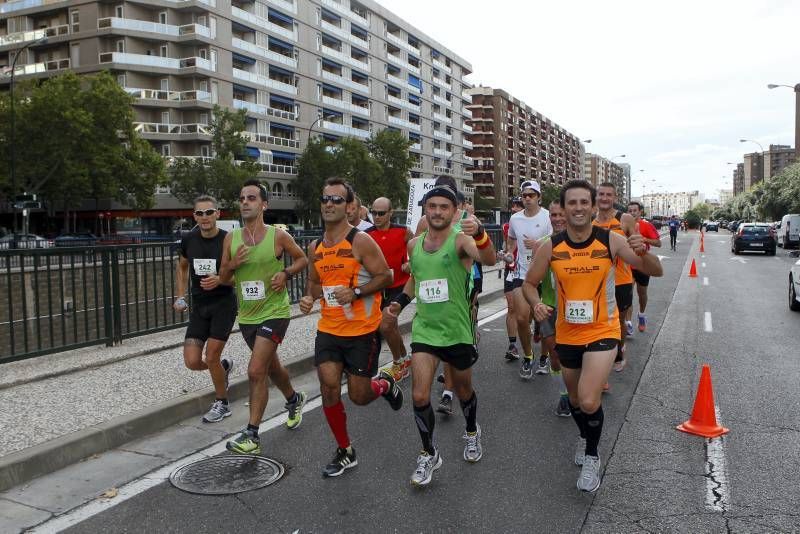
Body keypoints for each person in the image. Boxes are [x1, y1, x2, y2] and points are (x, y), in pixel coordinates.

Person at [523, 179, 662, 492]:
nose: (578, 208)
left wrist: (644, 251)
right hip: (567, 333)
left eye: (584, 202)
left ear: (593, 205)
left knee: (588, 398)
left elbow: (654, 270)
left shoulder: (611, 240)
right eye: (572, 203)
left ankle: (591, 454)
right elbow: (529, 284)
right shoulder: (551, 247)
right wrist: (536, 306)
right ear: (564, 207)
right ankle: (586, 435)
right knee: (574, 399)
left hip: (603, 330)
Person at [385, 183, 497, 486]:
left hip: (458, 331)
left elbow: (489, 259)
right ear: (425, 209)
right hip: (426, 331)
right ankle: (428, 452)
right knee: (420, 394)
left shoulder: (461, 241)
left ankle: (472, 431)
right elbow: (416, 280)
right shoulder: (415, 245)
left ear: (454, 211)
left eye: (443, 207)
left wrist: (481, 234)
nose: (436, 212)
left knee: (463, 391)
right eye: (432, 206)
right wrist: (398, 302)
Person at [300, 177, 402, 478]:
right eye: (325, 199)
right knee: (328, 386)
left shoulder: (360, 240)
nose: (329, 204)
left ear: (348, 207)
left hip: (361, 331)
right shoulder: (315, 246)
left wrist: (357, 292)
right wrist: (308, 298)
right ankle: (345, 450)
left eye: (336, 199)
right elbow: (315, 284)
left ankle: (384, 384)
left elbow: (386, 275)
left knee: (358, 396)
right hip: (329, 328)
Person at [218, 180, 309, 455]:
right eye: (242, 198)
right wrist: (233, 264)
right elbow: (223, 278)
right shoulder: (230, 239)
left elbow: (302, 258)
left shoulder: (277, 236)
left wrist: (286, 273)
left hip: (275, 311)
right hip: (247, 315)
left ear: (264, 205)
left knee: (255, 370)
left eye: (252, 198)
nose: (245, 202)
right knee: (270, 368)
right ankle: (294, 399)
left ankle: (252, 435)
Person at [173, 195, 237, 424]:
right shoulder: (188, 239)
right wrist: (180, 296)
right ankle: (223, 369)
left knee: (211, 356)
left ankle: (223, 403)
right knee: (192, 361)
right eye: (199, 213)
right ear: (194, 217)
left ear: (218, 214)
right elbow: (182, 267)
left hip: (224, 304)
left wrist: (221, 280)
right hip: (200, 305)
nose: (205, 217)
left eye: (209, 212)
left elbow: (240, 276)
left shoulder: (229, 239)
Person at [505, 180, 552, 379]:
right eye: (524, 195)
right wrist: (508, 254)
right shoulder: (515, 219)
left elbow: (555, 238)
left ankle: (544, 357)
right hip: (522, 273)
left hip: (545, 275)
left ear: (539, 197)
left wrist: (538, 244)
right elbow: (511, 241)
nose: (527, 198)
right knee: (522, 317)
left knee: (547, 321)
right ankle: (528, 355)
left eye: (531, 195)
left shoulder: (548, 216)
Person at [367, 197, 414, 381]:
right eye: (374, 212)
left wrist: (410, 263)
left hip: (400, 287)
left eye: (381, 213)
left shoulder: (403, 232)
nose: (376, 217)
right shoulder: (367, 235)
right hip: (379, 287)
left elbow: (415, 250)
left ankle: (398, 364)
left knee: (386, 324)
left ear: (391, 213)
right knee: (391, 327)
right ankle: (404, 358)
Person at [593, 183, 636, 372]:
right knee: (598, 320)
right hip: (597, 281)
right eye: (601, 194)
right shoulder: (589, 221)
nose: (604, 198)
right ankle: (600, 360)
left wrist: (631, 246)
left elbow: (636, 244)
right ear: (596, 197)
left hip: (622, 279)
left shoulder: (624, 219)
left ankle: (620, 349)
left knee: (618, 321)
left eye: (608, 195)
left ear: (614, 197)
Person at [539, 199, 571, 417]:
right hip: (549, 307)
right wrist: (535, 304)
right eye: (553, 215)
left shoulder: (581, 242)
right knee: (555, 356)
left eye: (561, 214)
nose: (558, 219)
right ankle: (564, 395)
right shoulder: (544, 244)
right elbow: (533, 281)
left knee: (576, 356)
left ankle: (578, 390)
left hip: (575, 308)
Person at [626, 202, 662, 333]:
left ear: (640, 212)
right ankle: (628, 323)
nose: (632, 213)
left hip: (642, 265)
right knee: (627, 294)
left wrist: (644, 239)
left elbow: (658, 243)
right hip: (626, 266)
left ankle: (641, 315)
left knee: (642, 294)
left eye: (635, 210)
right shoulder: (622, 226)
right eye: (629, 210)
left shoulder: (646, 225)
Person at [500, 197, 524, 361]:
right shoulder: (507, 226)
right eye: (513, 206)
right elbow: (507, 246)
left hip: (530, 270)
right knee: (511, 308)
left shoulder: (539, 222)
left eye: (518, 206)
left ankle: (536, 328)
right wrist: (505, 256)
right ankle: (512, 345)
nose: (514, 209)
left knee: (526, 314)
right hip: (512, 270)